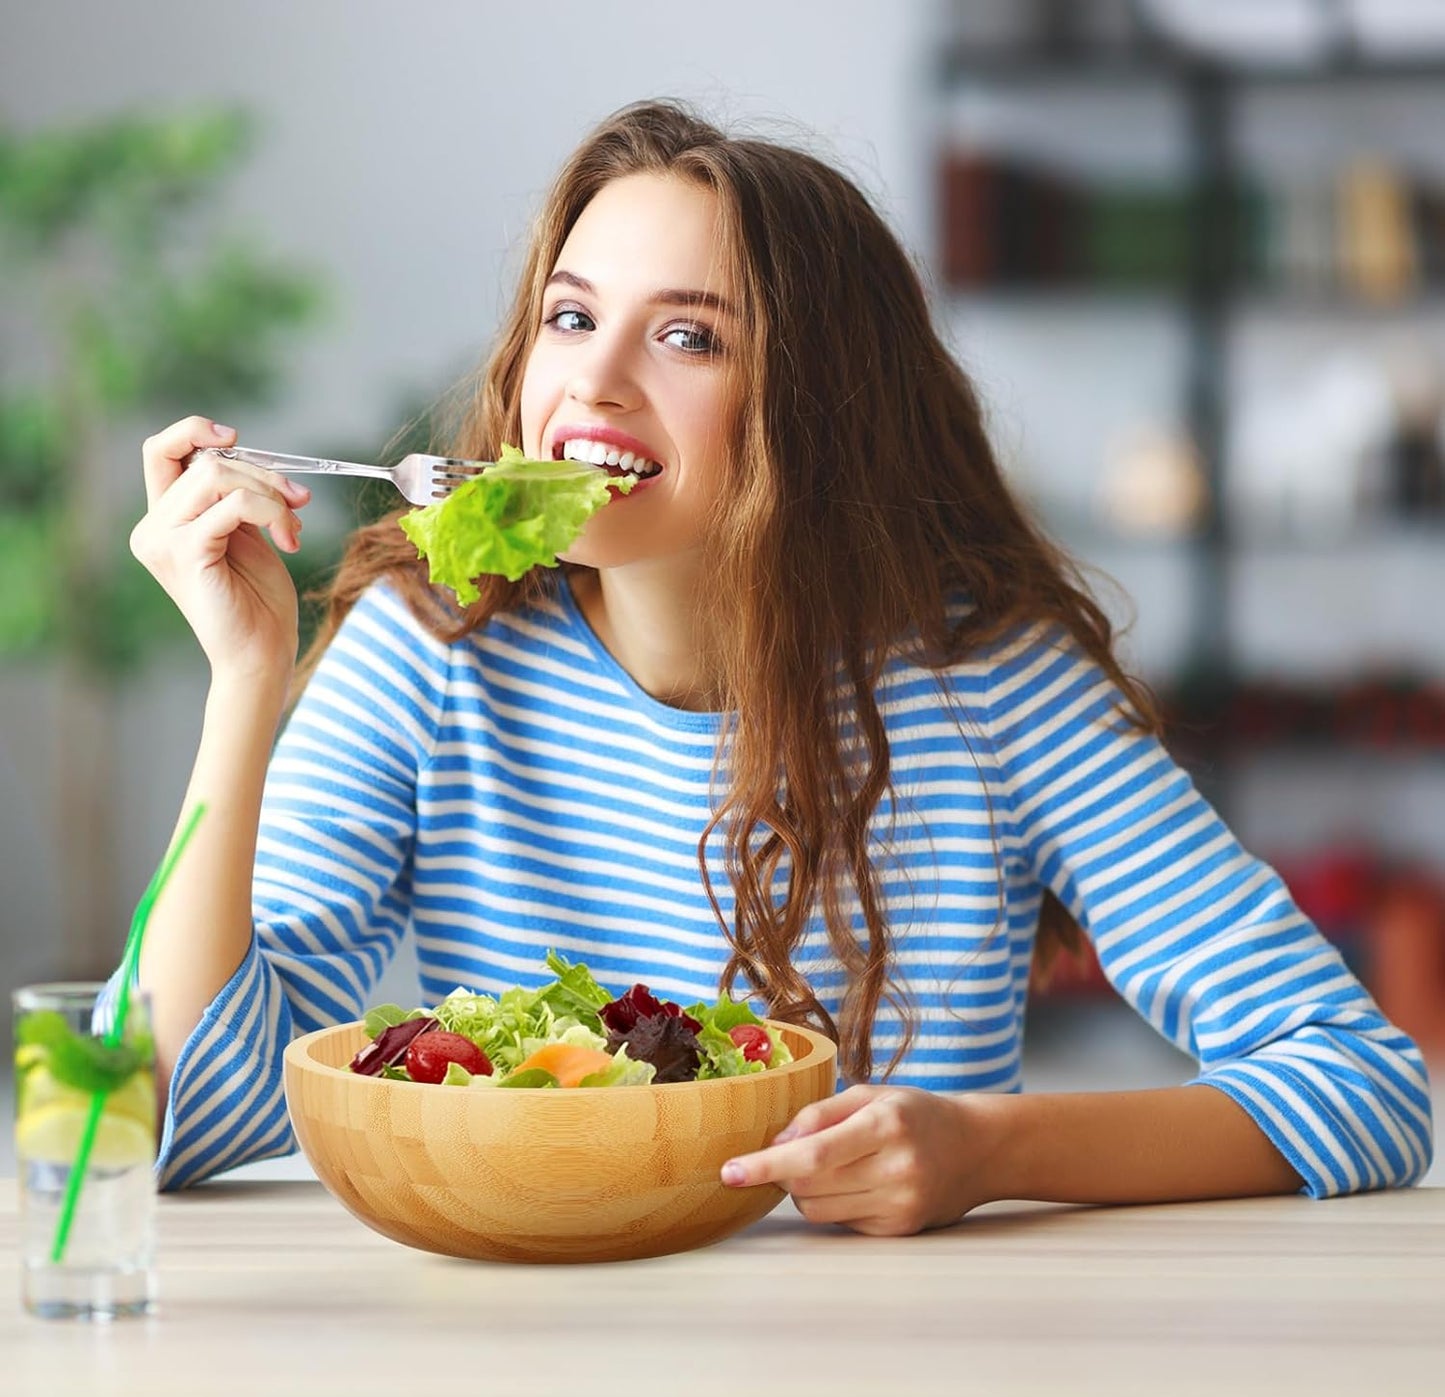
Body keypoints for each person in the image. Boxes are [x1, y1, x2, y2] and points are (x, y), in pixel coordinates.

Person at [126, 100, 1433, 1234]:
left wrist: (986, 1149)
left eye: (687, 337)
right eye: (568, 316)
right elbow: (179, 1117)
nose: (593, 379)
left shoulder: (990, 682)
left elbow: (1362, 1086)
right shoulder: (434, 648)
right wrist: (244, 684)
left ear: (817, 403)